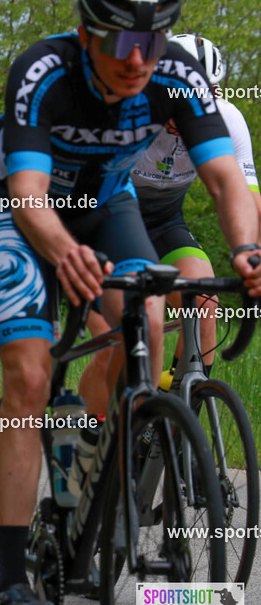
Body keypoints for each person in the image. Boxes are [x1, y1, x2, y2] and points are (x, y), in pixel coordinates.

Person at [0, 0, 261, 605]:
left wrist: (247, 250)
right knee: (30, 373)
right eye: (124, 41)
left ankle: (84, 468)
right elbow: (28, 192)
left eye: (153, 41)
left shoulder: (177, 76)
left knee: (150, 325)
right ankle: (14, 575)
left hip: (106, 204)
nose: (139, 59)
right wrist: (63, 251)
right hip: (21, 214)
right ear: (87, 32)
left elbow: (225, 181)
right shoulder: (44, 72)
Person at [81, 34, 261, 406]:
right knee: (120, 341)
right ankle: (91, 437)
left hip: (165, 222)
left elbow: (246, 196)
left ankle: (177, 412)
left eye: (204, 91)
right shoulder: (131, 109)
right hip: (109, 220)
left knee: (205, 299)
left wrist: (254, 255)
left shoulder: (226, 119)